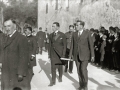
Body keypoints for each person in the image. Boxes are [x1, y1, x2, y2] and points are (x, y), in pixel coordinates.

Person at [1, 18, 30, 90]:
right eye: (5, 26)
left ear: (14, 26)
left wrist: (20, 73)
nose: (7, 28)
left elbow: (24, 57)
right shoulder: (5, 38)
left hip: (16, 74)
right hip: (6, 72)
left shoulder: (21, 38)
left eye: (9, 26)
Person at [69, 20, 94, 90]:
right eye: (76, 25)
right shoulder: (74, 34)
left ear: (81, 26)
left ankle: (85, 86)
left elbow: (91, 45)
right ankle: (81, 85)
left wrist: (92, 55)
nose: (75, 26)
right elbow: (72, 45)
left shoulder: (87, 33)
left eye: (77, 25)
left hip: (85, 55)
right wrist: (70, 55)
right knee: (78, 71)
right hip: (76, 56)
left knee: (83, 70)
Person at [48, 22, 66, 86]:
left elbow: (64, 45)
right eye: (52, 26)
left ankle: (60, 76)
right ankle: (53, 81)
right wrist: (49, 55)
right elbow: (49, 45)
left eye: (54, 26)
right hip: (53, 54)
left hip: (60, 54)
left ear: (58, 27)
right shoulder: (50, 35)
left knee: (60, 67)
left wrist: (63, 55)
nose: (52, 27)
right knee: (53, 68)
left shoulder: (62, 35)